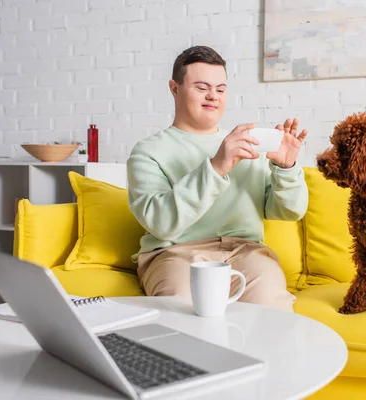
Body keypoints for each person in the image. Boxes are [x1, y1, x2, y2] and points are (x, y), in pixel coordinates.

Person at [126, 45, 309, 312]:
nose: (213, 96)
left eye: (220, 89)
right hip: (175, 254)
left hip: (246, 252)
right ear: (174, 89)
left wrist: (286, 168)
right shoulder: (148, 152)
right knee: (181, 307)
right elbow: (161, 223)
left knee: (270, 304)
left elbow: (290, 211)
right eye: (201, 87)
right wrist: (215, 167)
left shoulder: (248, 144)